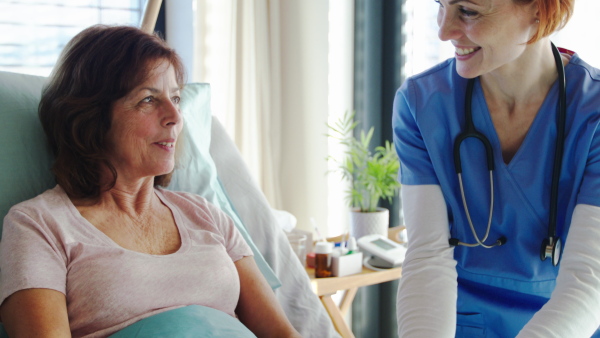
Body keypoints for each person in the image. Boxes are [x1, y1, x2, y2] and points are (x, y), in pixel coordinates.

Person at [0, 25, 301, 338]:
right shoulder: (39, 226)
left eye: (176, 98)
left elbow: (283, 334)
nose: (175, 116)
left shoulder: (205, 215)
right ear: (92, 117)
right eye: (148, 100)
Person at [393, 0, 600, 336]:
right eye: (440, 5)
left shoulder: (592, 112)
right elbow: (427, 256)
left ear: (540, 9)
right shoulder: (422, 104)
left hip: (570, 324)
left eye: (469, 11)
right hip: (462, 322)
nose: (444, 31)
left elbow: (588, 279)